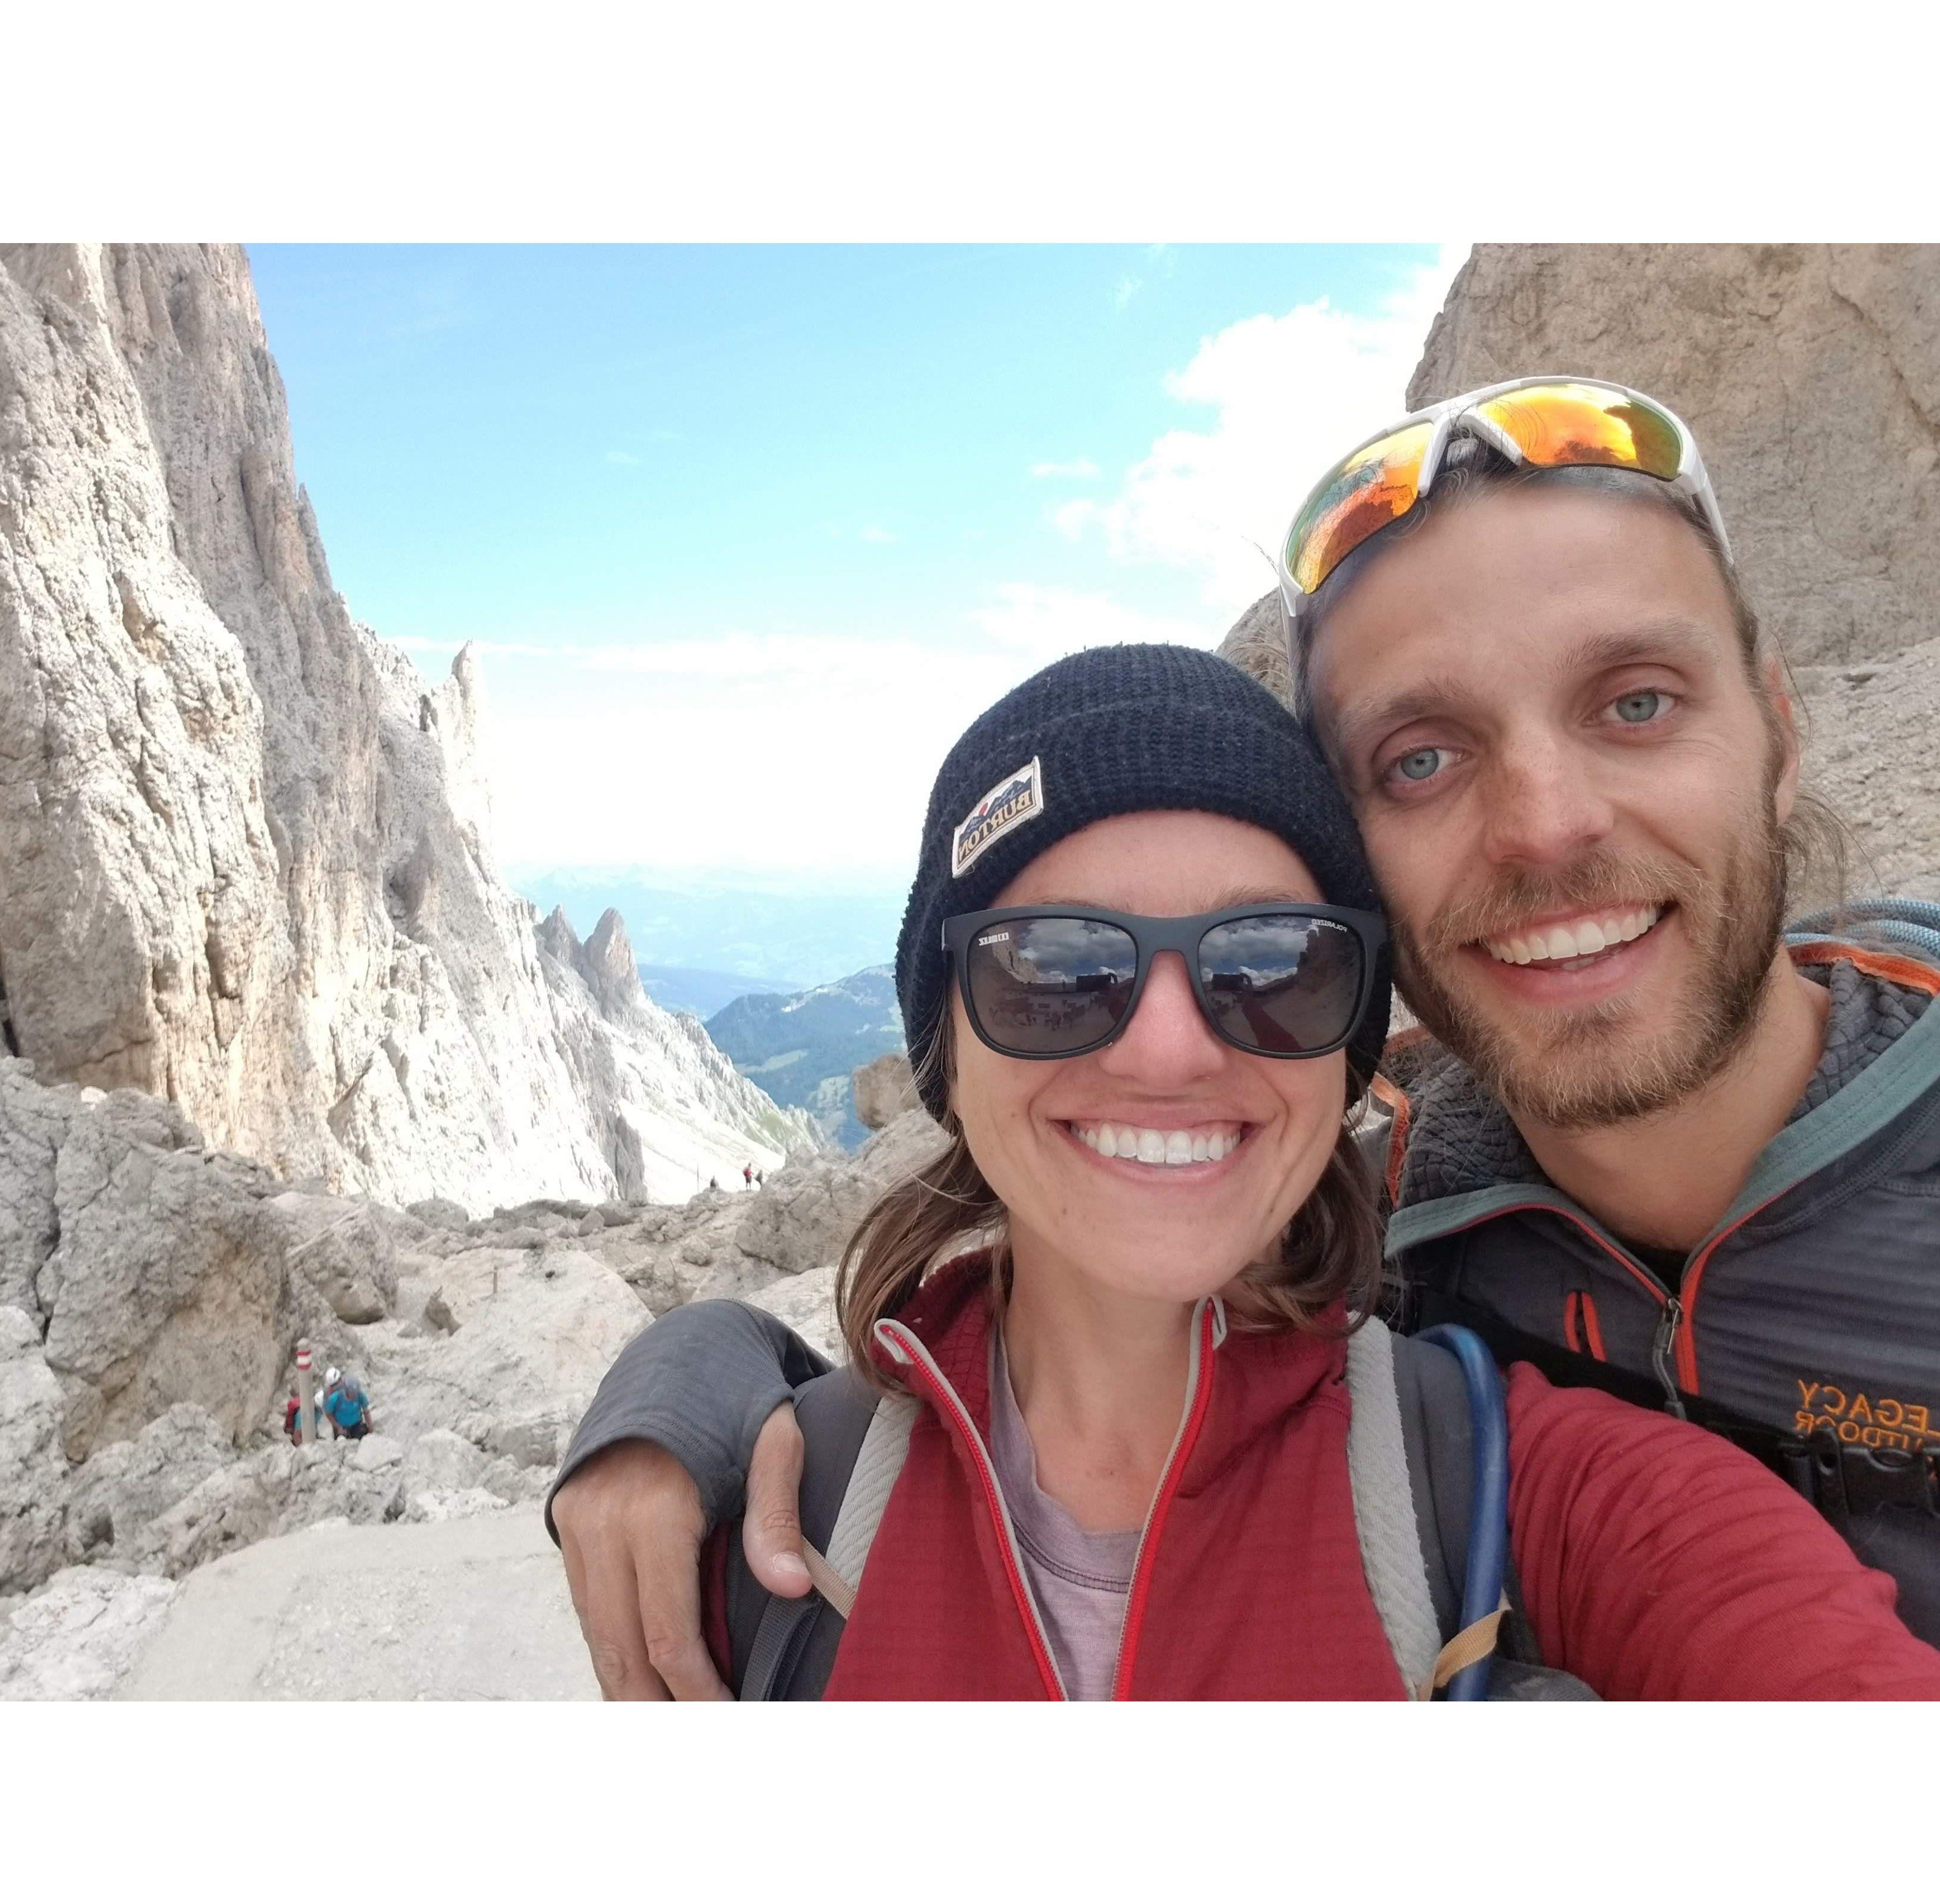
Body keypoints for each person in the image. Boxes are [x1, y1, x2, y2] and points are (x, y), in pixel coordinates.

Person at [549, 380, 1940, 1694]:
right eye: (1422, 757)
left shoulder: (1496, 1449)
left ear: (1778, 733)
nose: (1546, 823)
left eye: (1636, 701)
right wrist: (696, 1378)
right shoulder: (1395, 1219)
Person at [324, 1374, 372, 1442]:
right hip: (342, 1426)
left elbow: (366, 1412)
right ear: (346, 1389)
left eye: (356, 1392)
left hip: (356, 1424)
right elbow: (328, 1413)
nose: (354, 1395)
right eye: (352, 1392)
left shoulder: (361, 1396)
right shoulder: (336, 1397)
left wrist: (371, 1428)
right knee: (341, 1441)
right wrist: (338, 1427)